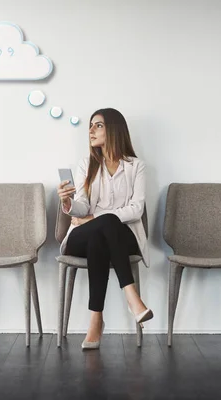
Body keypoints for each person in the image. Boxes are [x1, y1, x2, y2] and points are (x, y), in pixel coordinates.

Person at [57, 108, 153, 350]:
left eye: (98, 125)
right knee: (106, 225)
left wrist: (94, 219)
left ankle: (96, 320)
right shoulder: (86, 164)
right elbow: (82, 207)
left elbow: (136, 209)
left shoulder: (136, 166)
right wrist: (67, 203)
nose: (91, 130)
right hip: (80, 236)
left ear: (114, 129)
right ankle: (133, 299)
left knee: (104, 232)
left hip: (121, 237)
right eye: (90, 125)